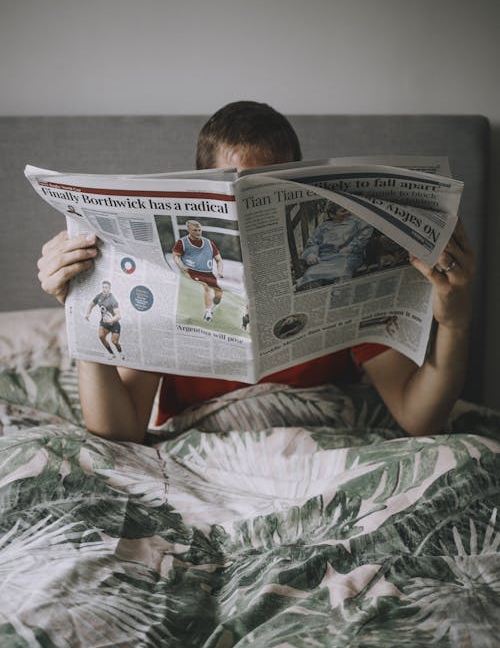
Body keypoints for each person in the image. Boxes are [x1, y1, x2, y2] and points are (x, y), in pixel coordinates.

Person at [36, 100, 475, 443]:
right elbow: (120, 432)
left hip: (320, 442)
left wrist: (454, 321)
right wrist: (81, 305)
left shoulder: (339, 268)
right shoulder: (169, 274)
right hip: (204, 450)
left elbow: (420, 418)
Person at [296, 203, 374, 289]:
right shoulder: (323, 226)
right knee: (310, 274)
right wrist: (311, 254)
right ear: (332, 214)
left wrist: (351, 247)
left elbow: (366, 232)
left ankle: (340, 295)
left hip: (346, 255)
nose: (347, 213)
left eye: (348, 210)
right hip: (324, 258)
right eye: (343, 211)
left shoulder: (356, 222)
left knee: (342, 270)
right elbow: (313, 242)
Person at [172, 219, 224, 322]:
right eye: (195, 230)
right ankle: (208, 314)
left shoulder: (209, 243)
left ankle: (209, 311)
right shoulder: (182, 242)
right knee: (206, 287)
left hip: (208, 273)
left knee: (219, 295)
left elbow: (219, 260)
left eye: (199, 230)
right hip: (192, 271)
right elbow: (175, 256)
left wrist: (219, 272)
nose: (198, 232)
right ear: (189, 230)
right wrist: (181, 266)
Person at [85, 280, 124, 360]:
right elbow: (91, 305)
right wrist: (88, 314)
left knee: (114, 342)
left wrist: (110, 321)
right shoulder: (99, 296)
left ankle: (120, 352)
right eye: (103, 287)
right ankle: (111, 354)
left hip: (114, 323)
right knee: (101, 336)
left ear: (109, 289)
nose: (104, 289)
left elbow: (118, 316)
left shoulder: (113, 300)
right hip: (104, 322)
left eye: (106, 288)